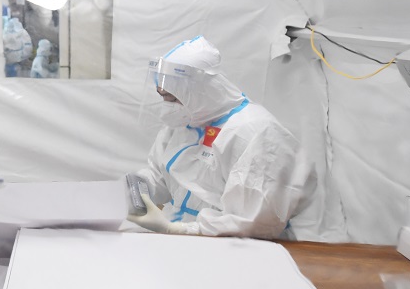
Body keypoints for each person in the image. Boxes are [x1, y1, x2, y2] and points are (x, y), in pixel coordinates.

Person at [128, 36, 336, 240]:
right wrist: (137, 190)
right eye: (162, 96)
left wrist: (181, 229)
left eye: (172, 98)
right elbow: (159, 175)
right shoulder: (184, 123)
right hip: (183, 238)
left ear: (200, 90)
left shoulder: (255, 132)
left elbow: (252, 222)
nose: (167, 106)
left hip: (234, 246)